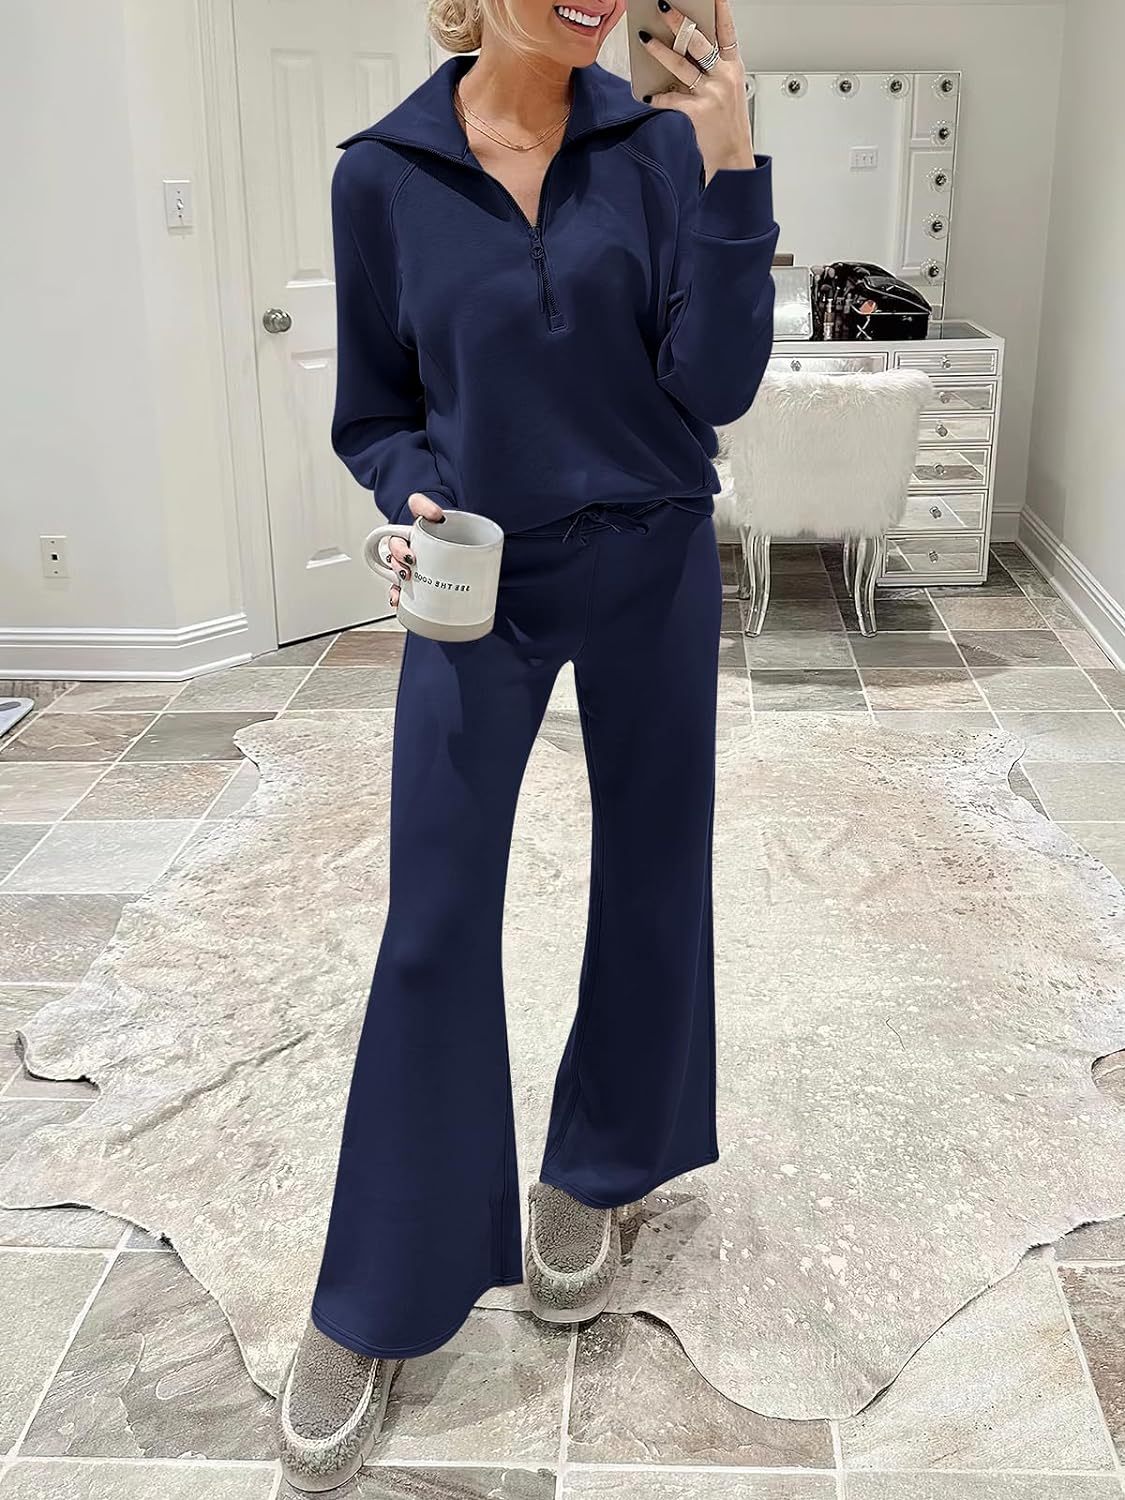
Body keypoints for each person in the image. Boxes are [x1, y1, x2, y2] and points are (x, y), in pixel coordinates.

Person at [275, 0, 778, 1488]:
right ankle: (381, 1293)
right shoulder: (382, 174)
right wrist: (408, 493)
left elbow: (717, 387)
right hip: (478, 575)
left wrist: (731, 163)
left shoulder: (657, 149)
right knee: (433, 917)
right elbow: (375, 412)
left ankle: (603, 1164)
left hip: (653, 553)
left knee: (653, 872)